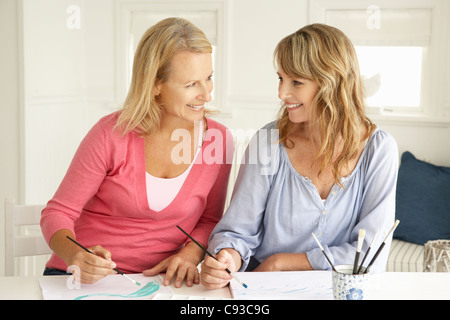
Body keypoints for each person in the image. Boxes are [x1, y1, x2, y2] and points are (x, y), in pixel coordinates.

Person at [201, 23, 398, 289]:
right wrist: (226, 258)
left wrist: (282, 262)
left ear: (332, 83)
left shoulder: (378, 150)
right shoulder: (268, 143)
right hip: (266, 290)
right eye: (281, 78)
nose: (282, 93)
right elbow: (237, 233)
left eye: (296, 82)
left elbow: (370, 255)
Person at [40, 17, 233, 287]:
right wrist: (75, 254)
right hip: (81, 281)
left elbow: (210, 218)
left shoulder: (218, 140)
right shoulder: (111, 134)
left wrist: (189, 255)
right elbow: (58, 213)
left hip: (162, 286)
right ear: (155, 85)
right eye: (191, 85)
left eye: (209, 78)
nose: (207, 94)